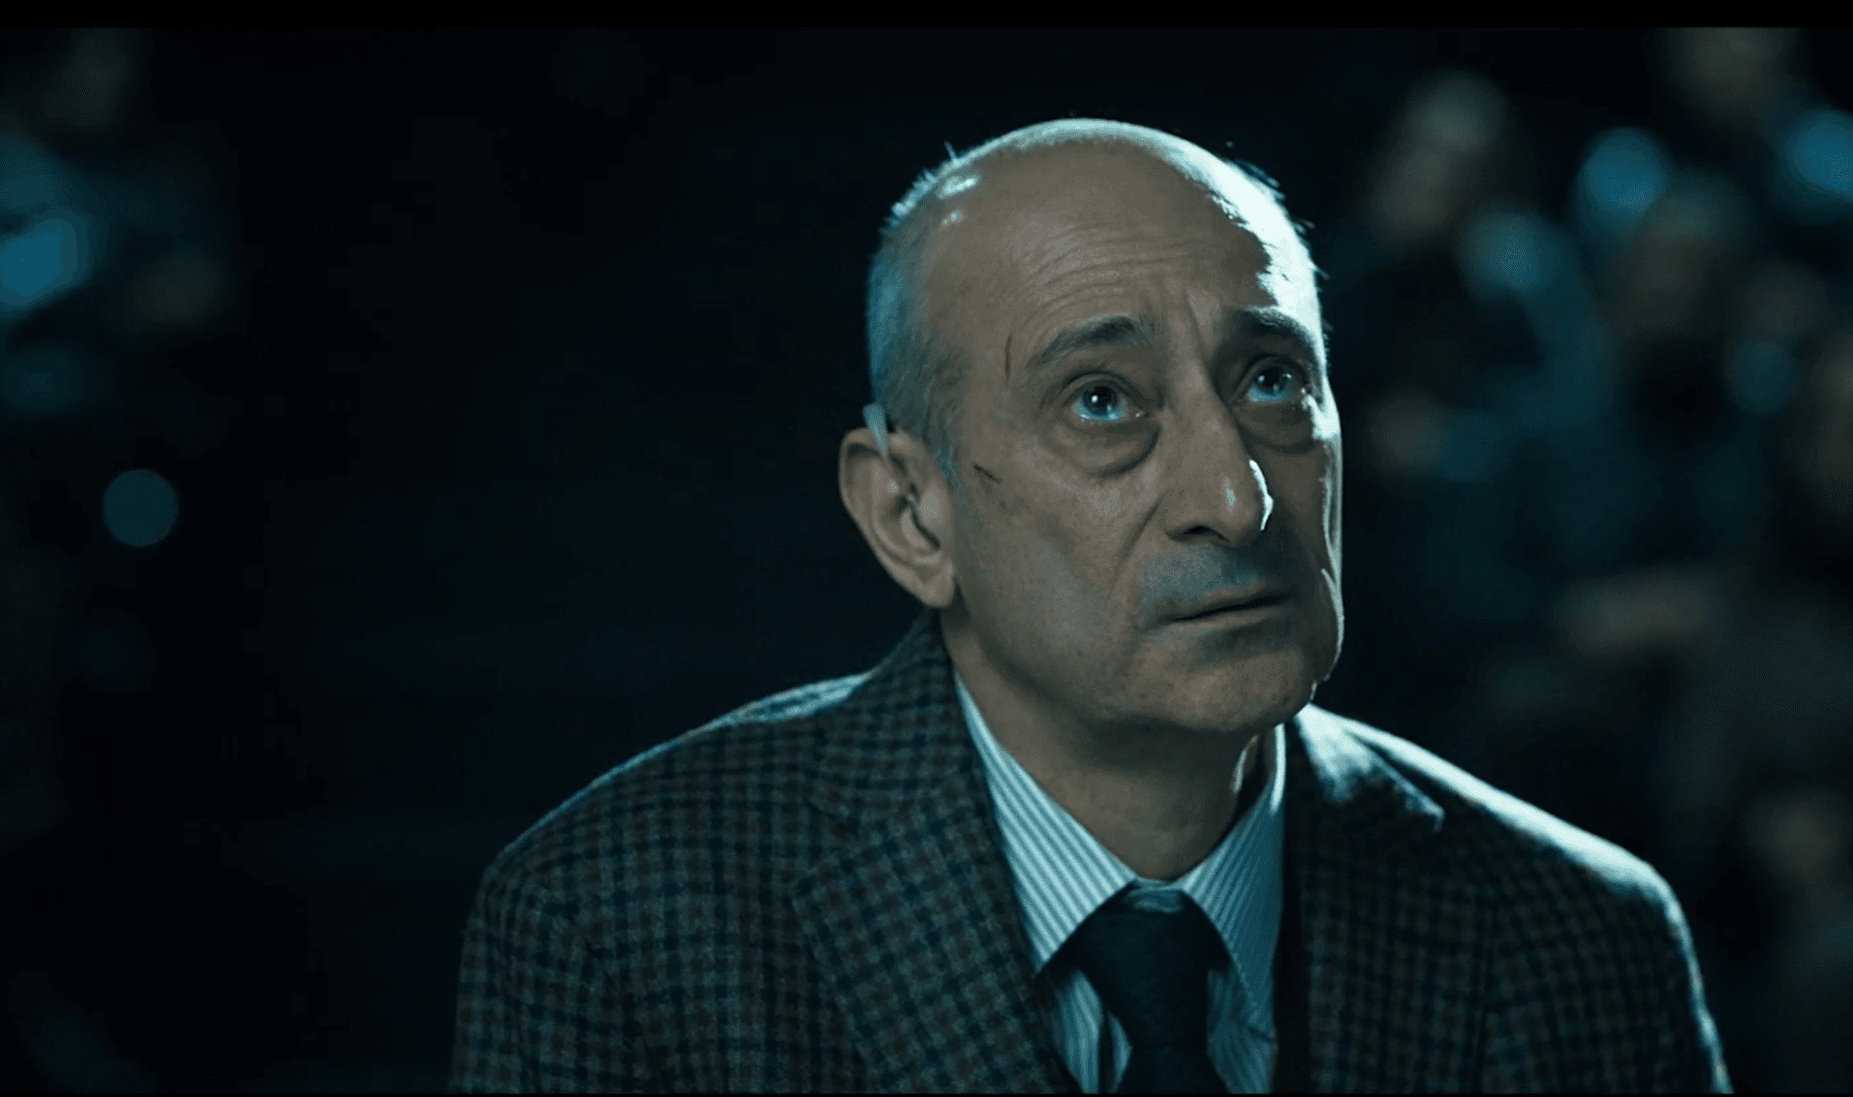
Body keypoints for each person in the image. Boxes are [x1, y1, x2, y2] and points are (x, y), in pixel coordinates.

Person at [450, 119, 1731, 1093]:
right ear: (910, 514)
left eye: (1272, 380)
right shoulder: (616, 925)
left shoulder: (1585, 940)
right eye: (1102, 402)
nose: (1235, 498)